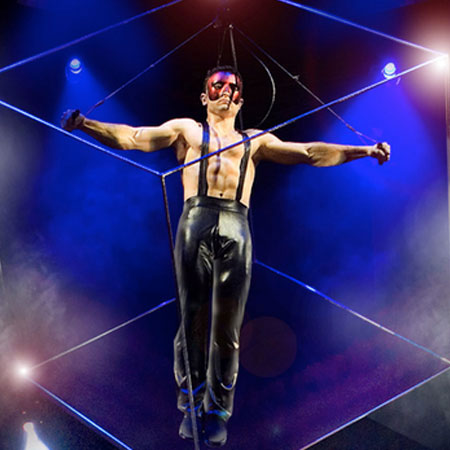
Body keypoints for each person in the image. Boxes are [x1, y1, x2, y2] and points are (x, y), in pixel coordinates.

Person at [61, 65, 390, 447]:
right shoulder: (188, 130)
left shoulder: (255, 141)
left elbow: (308, 153)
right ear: (205, 96)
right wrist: (85, 124)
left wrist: (364, 150)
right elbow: (134, 137)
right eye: (217, 85)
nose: (225, 90)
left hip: (236, 223)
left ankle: (217, 411)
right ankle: (190, 405)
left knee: (227, 326)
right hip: (196, 218)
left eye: (232, 86)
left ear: (240, 99)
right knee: (194, 316)